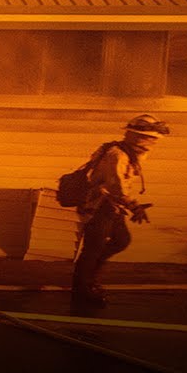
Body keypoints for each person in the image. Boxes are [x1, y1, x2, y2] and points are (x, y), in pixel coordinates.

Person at [71, 114, 170, 308]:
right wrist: (134, 206)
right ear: (137, 136)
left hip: (111, 205)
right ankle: (81, 292)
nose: (152, 143)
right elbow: (115, 187)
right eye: (150, 138)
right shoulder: (117, 155)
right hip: (98, 206)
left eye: (154, 139)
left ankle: (90, 279)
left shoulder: (129, 153)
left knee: (121, 240)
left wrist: (130, 205)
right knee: (92, 249)